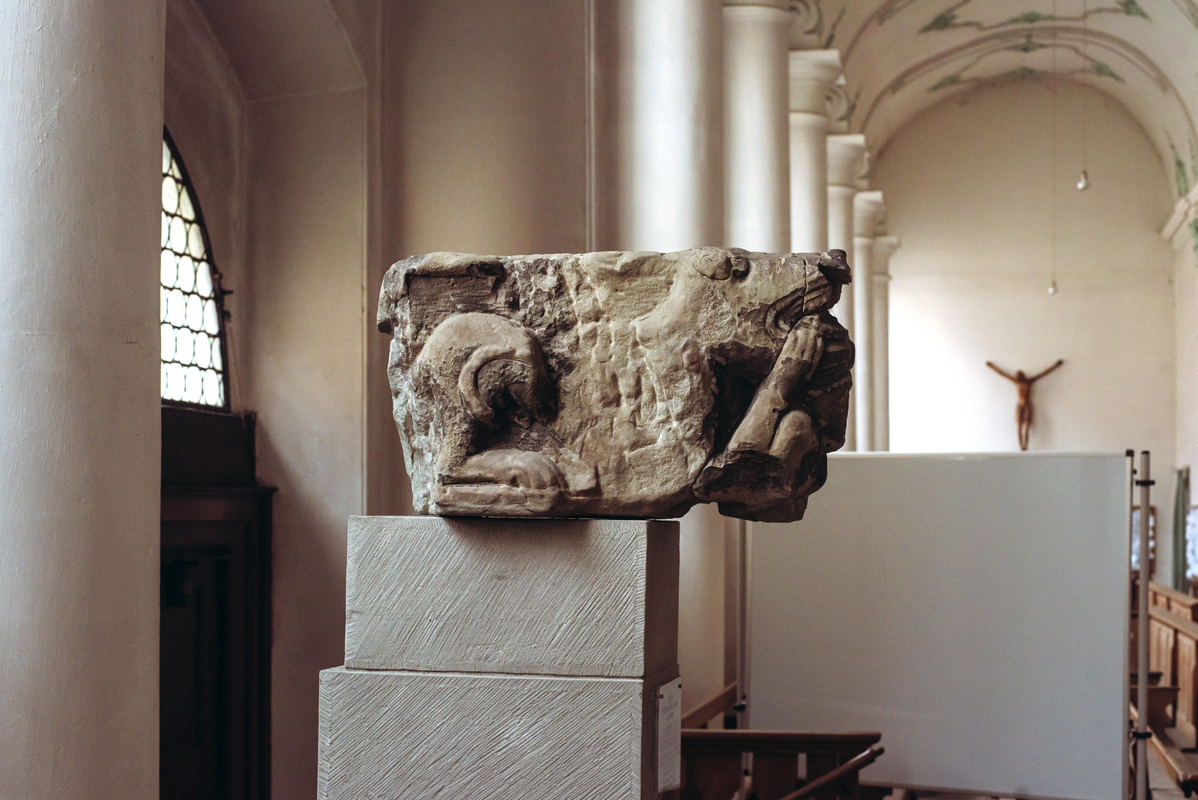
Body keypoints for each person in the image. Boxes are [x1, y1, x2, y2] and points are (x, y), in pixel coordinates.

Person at [985, 359, 1064, 451]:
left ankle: (1025, 446)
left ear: (1023, 375)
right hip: (1020, 404)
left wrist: (1056, 365)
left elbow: (1044, 373)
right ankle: (1021, 447)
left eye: (1019, 375)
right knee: (1019, 426)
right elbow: (1002, 374)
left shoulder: (1029, 381)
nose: (1017, 376)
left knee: (1027, 426)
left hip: (1027, 404)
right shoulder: (1016, 381)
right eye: (1017, 375)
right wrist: (992, 367)